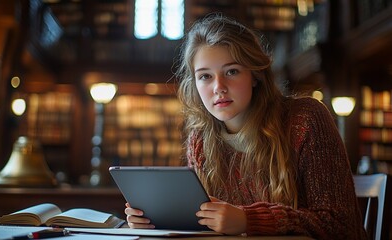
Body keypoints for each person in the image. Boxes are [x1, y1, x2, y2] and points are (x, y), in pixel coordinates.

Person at [124, 14, 367, 239]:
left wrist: (249, 220)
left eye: (231, 71)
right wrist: (155, 221)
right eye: (205, 76)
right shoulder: (199, 139)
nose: (218, 86)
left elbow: (342, 226)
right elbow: (202, 222)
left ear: (255, 75)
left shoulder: (305, 119)